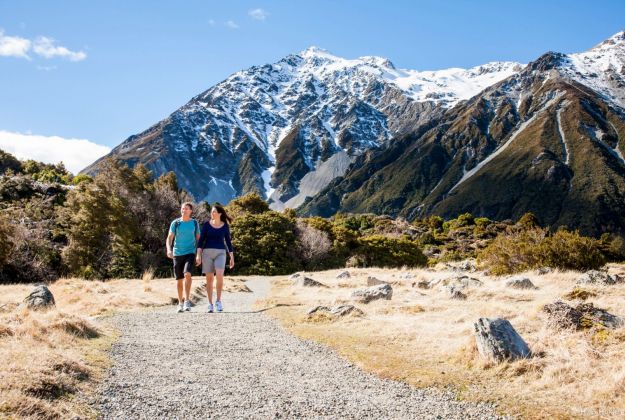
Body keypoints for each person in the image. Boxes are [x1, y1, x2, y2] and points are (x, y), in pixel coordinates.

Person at [196, 204, 234, 312]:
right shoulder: (207, 225)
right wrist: (198, 255)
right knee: (209, 279)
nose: (212, 213)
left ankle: (218, 301)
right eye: (211, 212)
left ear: (220, 213)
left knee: (220, 276)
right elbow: (201, 241)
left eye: (214, 212)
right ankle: (210, 304)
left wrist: (232, 257)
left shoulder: (225, 226)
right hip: (207, 253)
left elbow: (228, 242)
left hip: (221, 253)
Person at [166, 202, 200, 313]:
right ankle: (180, 303)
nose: (183, 210)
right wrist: (169, 249)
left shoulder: (194, 223)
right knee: (179, 280)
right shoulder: (175, 223)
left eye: (186, 209)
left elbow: (198, 239)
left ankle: (187, 301)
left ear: (190, 211)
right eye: (182, 208)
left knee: (187, 274)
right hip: (177, 254)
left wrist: (199, 254)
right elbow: (170, 238)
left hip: (190, 252)